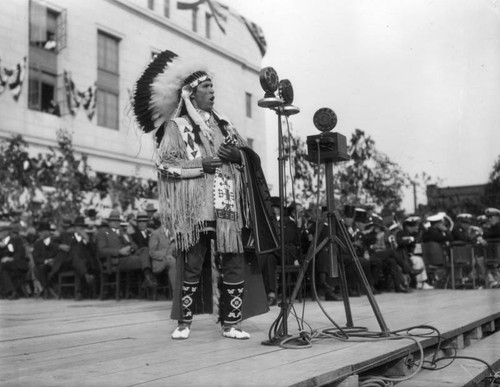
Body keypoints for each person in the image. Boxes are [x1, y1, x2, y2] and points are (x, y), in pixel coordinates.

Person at [132, 51, 278, 340]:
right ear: (190, 93)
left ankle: (232, 323)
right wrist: (201, 164)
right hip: (197, 207)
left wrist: (238, 154)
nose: (212, 92)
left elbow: (246, 157)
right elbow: (164, 165)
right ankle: (184, 323)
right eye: (205, 87)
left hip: (228, 205)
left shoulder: (226, 125)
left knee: (234, 261)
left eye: (212, 87)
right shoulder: (177, 127)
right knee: (192, 262)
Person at [95, 210, 157, 290]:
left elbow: (134, 245)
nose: (116, 223)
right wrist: (119, 251)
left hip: (128, 255)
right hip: (115, 259)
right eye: (113, 221)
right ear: (109, 222)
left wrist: (130, 248)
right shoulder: (103, 233)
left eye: (117, 221)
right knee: (145, 259)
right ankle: (148, 277)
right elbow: (101, 250)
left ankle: (147, 276)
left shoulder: (123, 232)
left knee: (145, 249)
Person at [0, 224, 29, 299]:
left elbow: (21, 253)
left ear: (6, 232)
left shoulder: (16, 240)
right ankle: (12, 292)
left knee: (2, 265)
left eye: (0, 232)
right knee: (4, 272)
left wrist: (10, 259)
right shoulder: (1, 243)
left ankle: (5, 292)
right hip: (6, 267)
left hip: (18, 264)